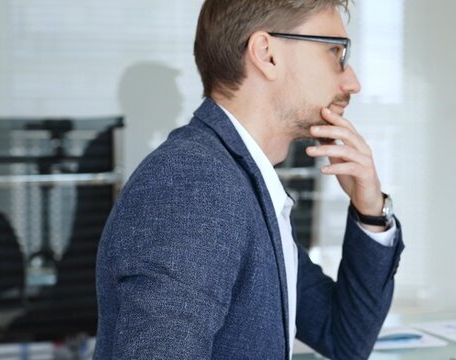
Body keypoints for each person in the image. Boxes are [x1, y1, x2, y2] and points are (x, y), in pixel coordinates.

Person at [93, 1, 404, 358]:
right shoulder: (197, 185)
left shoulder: (244, 182)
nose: (353, 82)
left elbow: (344, 338)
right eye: (335, 51)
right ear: (266, 54)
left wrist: (370, 210)